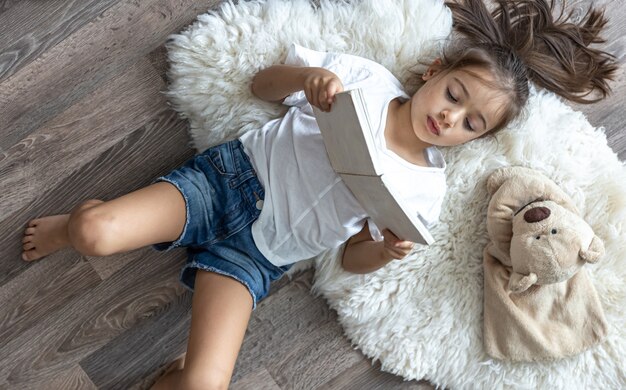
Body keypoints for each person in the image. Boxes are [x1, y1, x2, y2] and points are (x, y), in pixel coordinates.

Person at [19, 0, 617, 389]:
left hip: (260, 256)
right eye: (455, 95)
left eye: (471, 125)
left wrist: (382, 251)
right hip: (227, 185)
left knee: (204, 385)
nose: (450, 119)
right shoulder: (365, 81)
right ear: (434, 71)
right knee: (95, 235)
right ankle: (80, 218)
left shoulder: (425, 186)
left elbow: (348, 257)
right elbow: (261, 85)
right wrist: (308, 82)